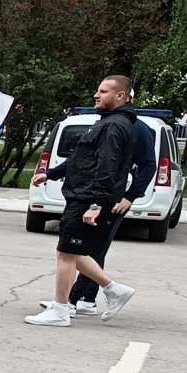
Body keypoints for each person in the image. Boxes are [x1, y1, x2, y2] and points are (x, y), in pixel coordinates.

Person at [32, 77, 152, 322]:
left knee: (67, 253)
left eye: (103, 91)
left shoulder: (115, 126)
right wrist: (51, 174)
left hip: (88, 197)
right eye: (97, 89)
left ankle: (62, 309)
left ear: (120, 96)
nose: (96, 95)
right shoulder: (108, 123)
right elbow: (82, 159)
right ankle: (112, 290)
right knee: (73, 251)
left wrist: (96, 204)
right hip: (83, 195)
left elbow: (106, 168)